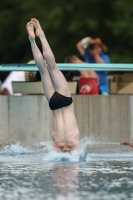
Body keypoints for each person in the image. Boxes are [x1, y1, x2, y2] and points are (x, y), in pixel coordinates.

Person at [26, 18, 80, 152]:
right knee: (43, 70)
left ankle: (41, 36)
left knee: (52, 67)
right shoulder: (59, 144)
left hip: (65, 102)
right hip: (54, 105)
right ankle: (32, 40)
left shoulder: (74, 142)